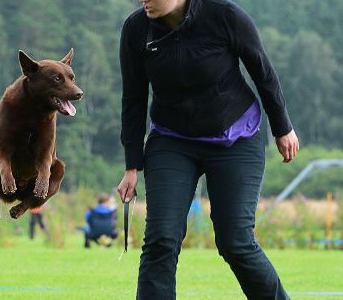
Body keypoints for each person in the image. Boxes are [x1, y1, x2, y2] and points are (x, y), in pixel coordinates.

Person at [117, 0, 299, 299]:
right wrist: (131, 165)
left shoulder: (224, 14)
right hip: (171, 140)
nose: (144, 0)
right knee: (160, 239)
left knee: (235, 242)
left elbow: (262, 70)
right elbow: (133, 98)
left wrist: (282, 127)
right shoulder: (136, 29)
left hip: (236, 137)